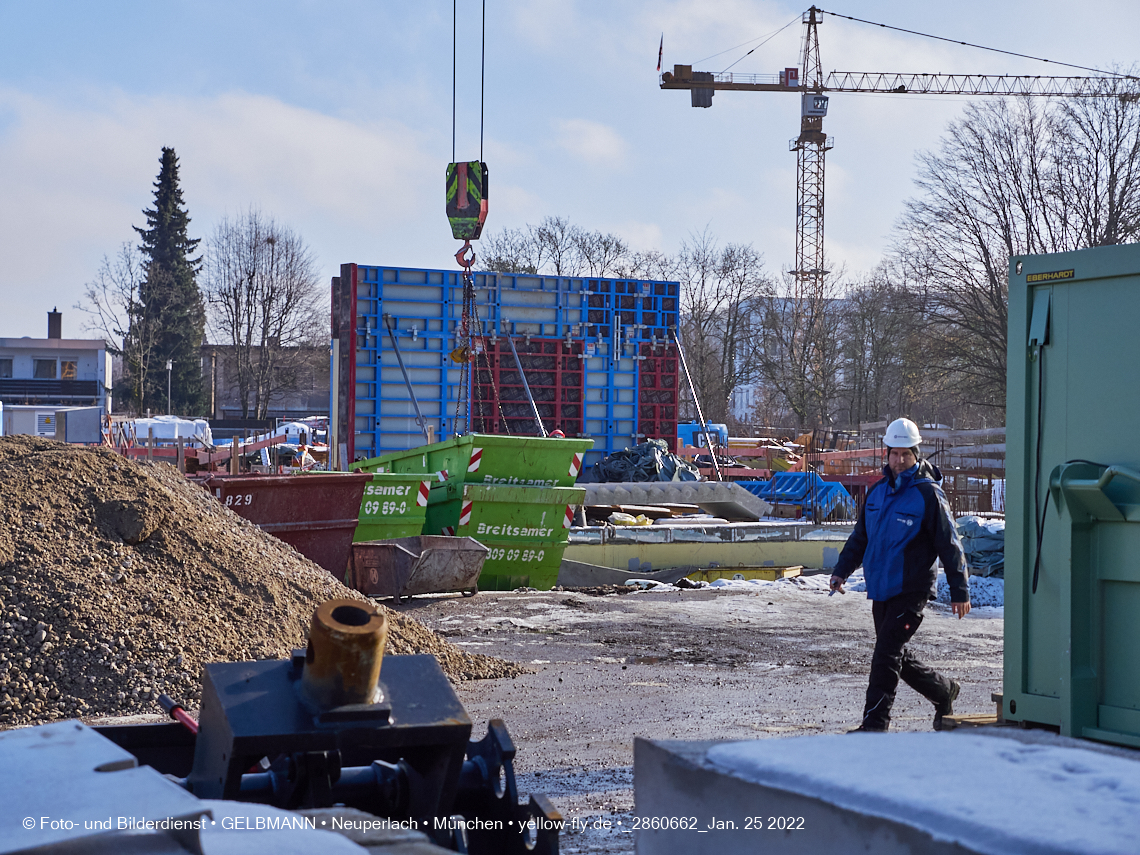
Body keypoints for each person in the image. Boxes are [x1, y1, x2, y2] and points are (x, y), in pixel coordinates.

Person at [830, 418, 971, 732]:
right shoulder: (877, 493)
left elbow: (949, 543)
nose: (899, 460)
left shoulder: (928, 493)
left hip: (912, 589)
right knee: (894, 655)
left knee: (885, 656)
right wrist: (841, 571)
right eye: (894, 453)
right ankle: (943, 691)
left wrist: (960, 590)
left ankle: (874, 725)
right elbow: (860, 538)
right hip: (881, 587)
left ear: (916, 454)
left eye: (906, 454)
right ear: (887, 453)